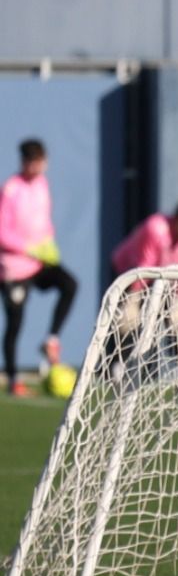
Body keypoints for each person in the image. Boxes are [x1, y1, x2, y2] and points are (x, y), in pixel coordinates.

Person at [0, 139, 78, 397]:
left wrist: (48, 243)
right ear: (23, 162)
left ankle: (51, 339)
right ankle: (13, 379)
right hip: (13, 268)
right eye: (32, 162)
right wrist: (28, 247)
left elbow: (42, 221)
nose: (37, 167)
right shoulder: (11, 189)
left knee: (69, 284)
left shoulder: (42, 185)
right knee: (15, 322)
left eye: (41, 162)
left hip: (38, 263)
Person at [112, 202, 178, 276]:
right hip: (128, 269)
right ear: (176, 221)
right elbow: (145, 263)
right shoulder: (156, 228)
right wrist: (134, 298)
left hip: (163, 275)